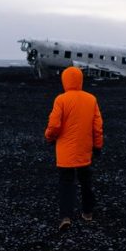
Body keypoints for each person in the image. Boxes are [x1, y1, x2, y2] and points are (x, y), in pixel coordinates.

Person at [44, 66, 104, 230]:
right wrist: (97, 146)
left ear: (65, 80)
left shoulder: (61, 99)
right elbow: (97, 126)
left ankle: (66, 217)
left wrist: (49, 137)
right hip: (85, 148)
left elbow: (54, 125)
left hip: (65, 150)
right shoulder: (91, 99)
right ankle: (87, 212)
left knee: (66, 183)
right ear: (80, 80)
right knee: (86, 181)